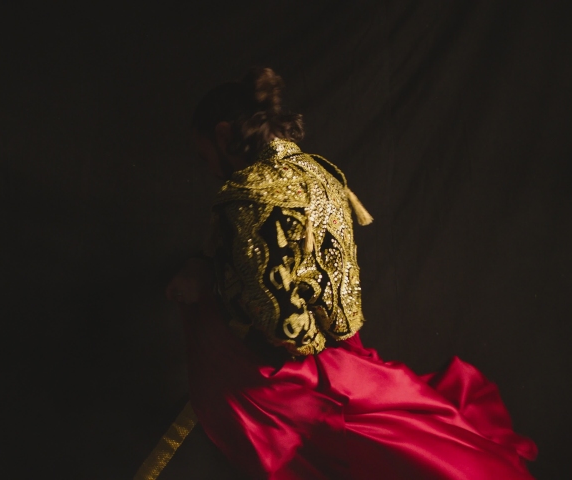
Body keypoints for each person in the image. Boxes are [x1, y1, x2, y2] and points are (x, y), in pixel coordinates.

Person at [164, 67, 538, 479]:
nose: (212, 170)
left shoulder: (247, 196)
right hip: (345, 352)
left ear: (222, 135)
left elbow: (284, 328)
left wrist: (210, 292)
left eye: (206, 157)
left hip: (292, 377)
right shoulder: (322, 173)